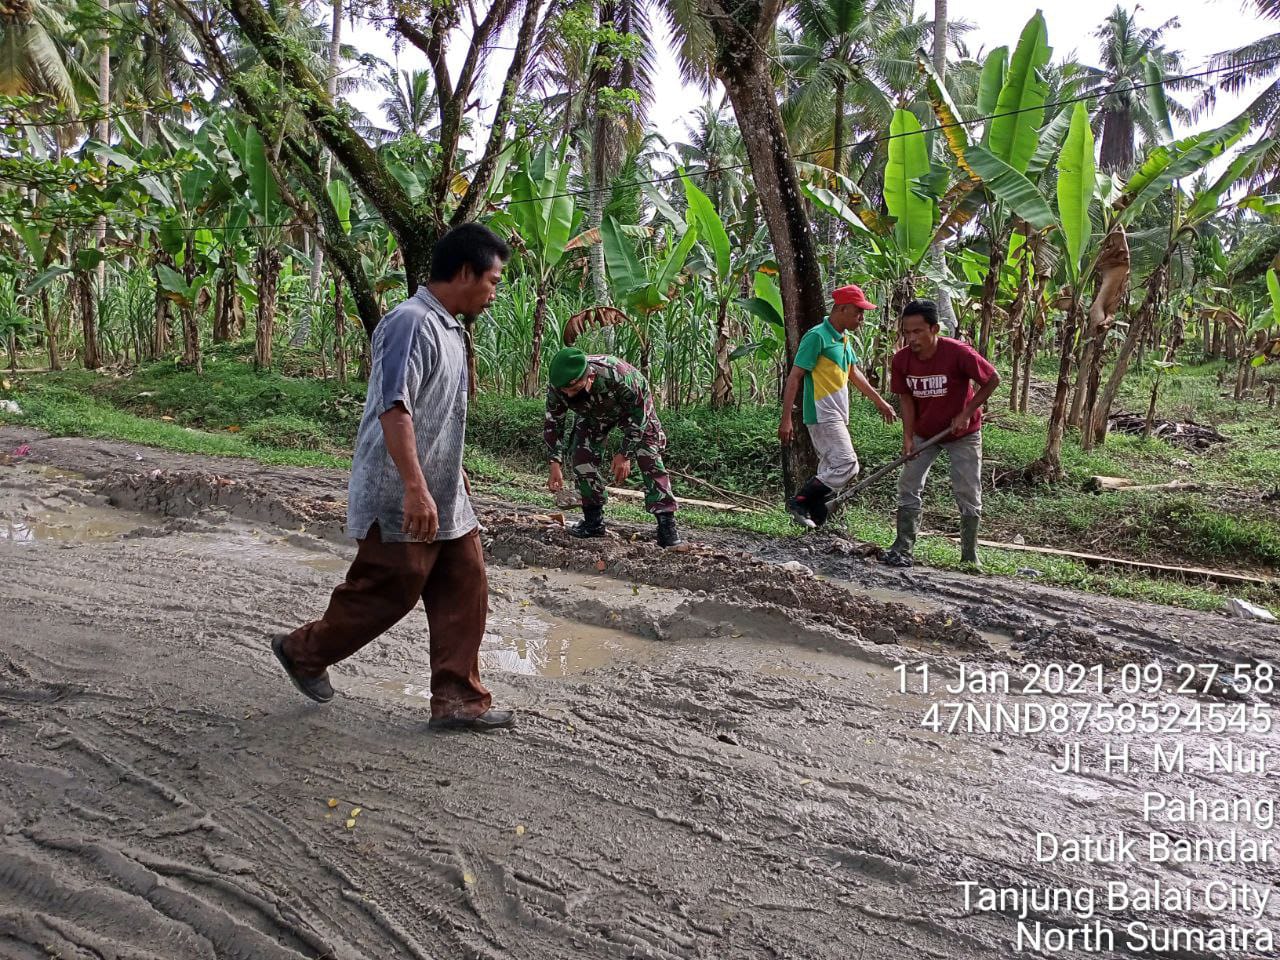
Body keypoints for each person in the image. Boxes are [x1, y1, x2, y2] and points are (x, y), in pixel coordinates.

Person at [272, 222, 515, 731]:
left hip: (445, 492)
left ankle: (458, 700)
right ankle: (303, 650)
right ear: (466, 271)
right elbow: (395, 406)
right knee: (389, 587)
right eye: (492, 281)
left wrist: (453, 480)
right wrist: (414, 486)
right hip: (400, 489)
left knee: (463, 584)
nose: (494, 294)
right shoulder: (410, 322)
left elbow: (438, 416)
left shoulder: (449, 327)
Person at [885, 299, 1000, 569]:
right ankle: (903, 548)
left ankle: (970, 556)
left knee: (968, 489)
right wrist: (908, 438)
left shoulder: (958, 352)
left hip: (963, 433)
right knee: (908, 484)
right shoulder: (902, 359)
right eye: (907, 332)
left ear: (934, 329)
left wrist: (967, 412)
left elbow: (992, 378)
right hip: (925, 432)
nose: (911, 338)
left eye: (918, 331)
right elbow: (906, 400)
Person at [778, 284, 896, 528]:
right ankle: (799, 501)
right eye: (858, 312)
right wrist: (786, 418)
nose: (861, 319)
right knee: (847, 464)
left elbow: (855, 374)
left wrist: (880, 402)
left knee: (830, 466)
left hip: (838, 412)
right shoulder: (816, 336)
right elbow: (795, 376)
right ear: (841, 309)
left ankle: (816, 522)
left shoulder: (843, 339)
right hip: (822, 412)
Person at [544, 348, 681, 548]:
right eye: (564, 391)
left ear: (590, 376)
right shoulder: (560, 385)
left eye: (573, 389)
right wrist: (554, 462)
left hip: (633, 410)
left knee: (649, 456)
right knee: (582, 457)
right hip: (592, 414)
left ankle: (667, 528)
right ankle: (593, 523)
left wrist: (624, 454)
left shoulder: (620, 376)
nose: (568, 394)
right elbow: (553, 423)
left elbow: (638, 418)